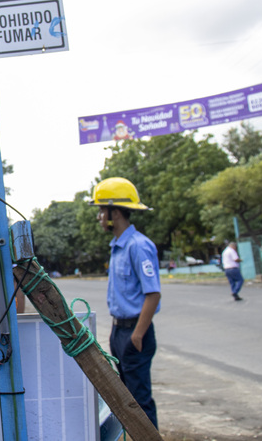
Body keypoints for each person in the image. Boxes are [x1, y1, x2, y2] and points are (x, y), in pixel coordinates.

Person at [90, 177, 161, 429]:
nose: (99, 216)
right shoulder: (118, 246)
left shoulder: (138, 246)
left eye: (101, 210)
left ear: (115, 212)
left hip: (134, 332)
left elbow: (153, 294)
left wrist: (137, 335)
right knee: (126, 399)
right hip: (120, 331)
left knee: (139, 400)